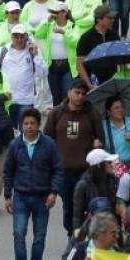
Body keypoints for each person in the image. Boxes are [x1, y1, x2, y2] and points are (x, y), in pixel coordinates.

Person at [3, 108, 62, 260]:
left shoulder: (49, 144)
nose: (29, 127)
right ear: (21, 125)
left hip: (42, 197)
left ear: (39, 125)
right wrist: (7, 196)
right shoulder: (15, 145)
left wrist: (53, 192)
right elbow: (8, 171)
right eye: (26, 124)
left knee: (39, 237)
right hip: (20, 196)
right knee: (19, 234)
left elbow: (58, 170)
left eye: (32, 123)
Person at [44, 80, 103, 235]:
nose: (80, 97)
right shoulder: (56, 113)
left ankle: (82, 235)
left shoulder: (92, 114)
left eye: (83, 94)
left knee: (83, 205)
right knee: (68, 206)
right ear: (69, 92)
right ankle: (72, 234)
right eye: (77, 93)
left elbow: (100, 138)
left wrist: (97, 144)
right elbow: (47, 141)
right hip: (62, 171)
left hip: (84, 170)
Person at [75, 5, 120, 86]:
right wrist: (89, 85)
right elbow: (79, 64)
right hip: (93, 82)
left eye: (113, 18)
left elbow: (121, 58)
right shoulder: (86, 38)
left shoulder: (115, 36)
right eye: (109, 18)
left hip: (112, 81)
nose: (112, 20)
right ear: (99, 19)